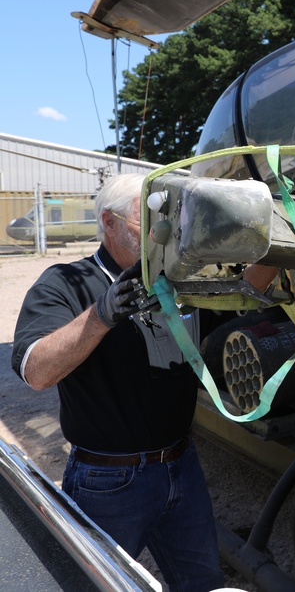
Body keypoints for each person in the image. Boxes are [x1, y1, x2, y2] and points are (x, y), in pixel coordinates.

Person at [11, 174, 225, 592]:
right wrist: (101, 315)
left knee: (203, 582)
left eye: (171, 219)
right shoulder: (65, 283)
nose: (166, 232)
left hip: (183, 467)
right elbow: (36, 371)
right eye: (148, 219)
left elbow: (240, 301)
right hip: (108, 483)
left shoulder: (181, 280)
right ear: (109, 223)